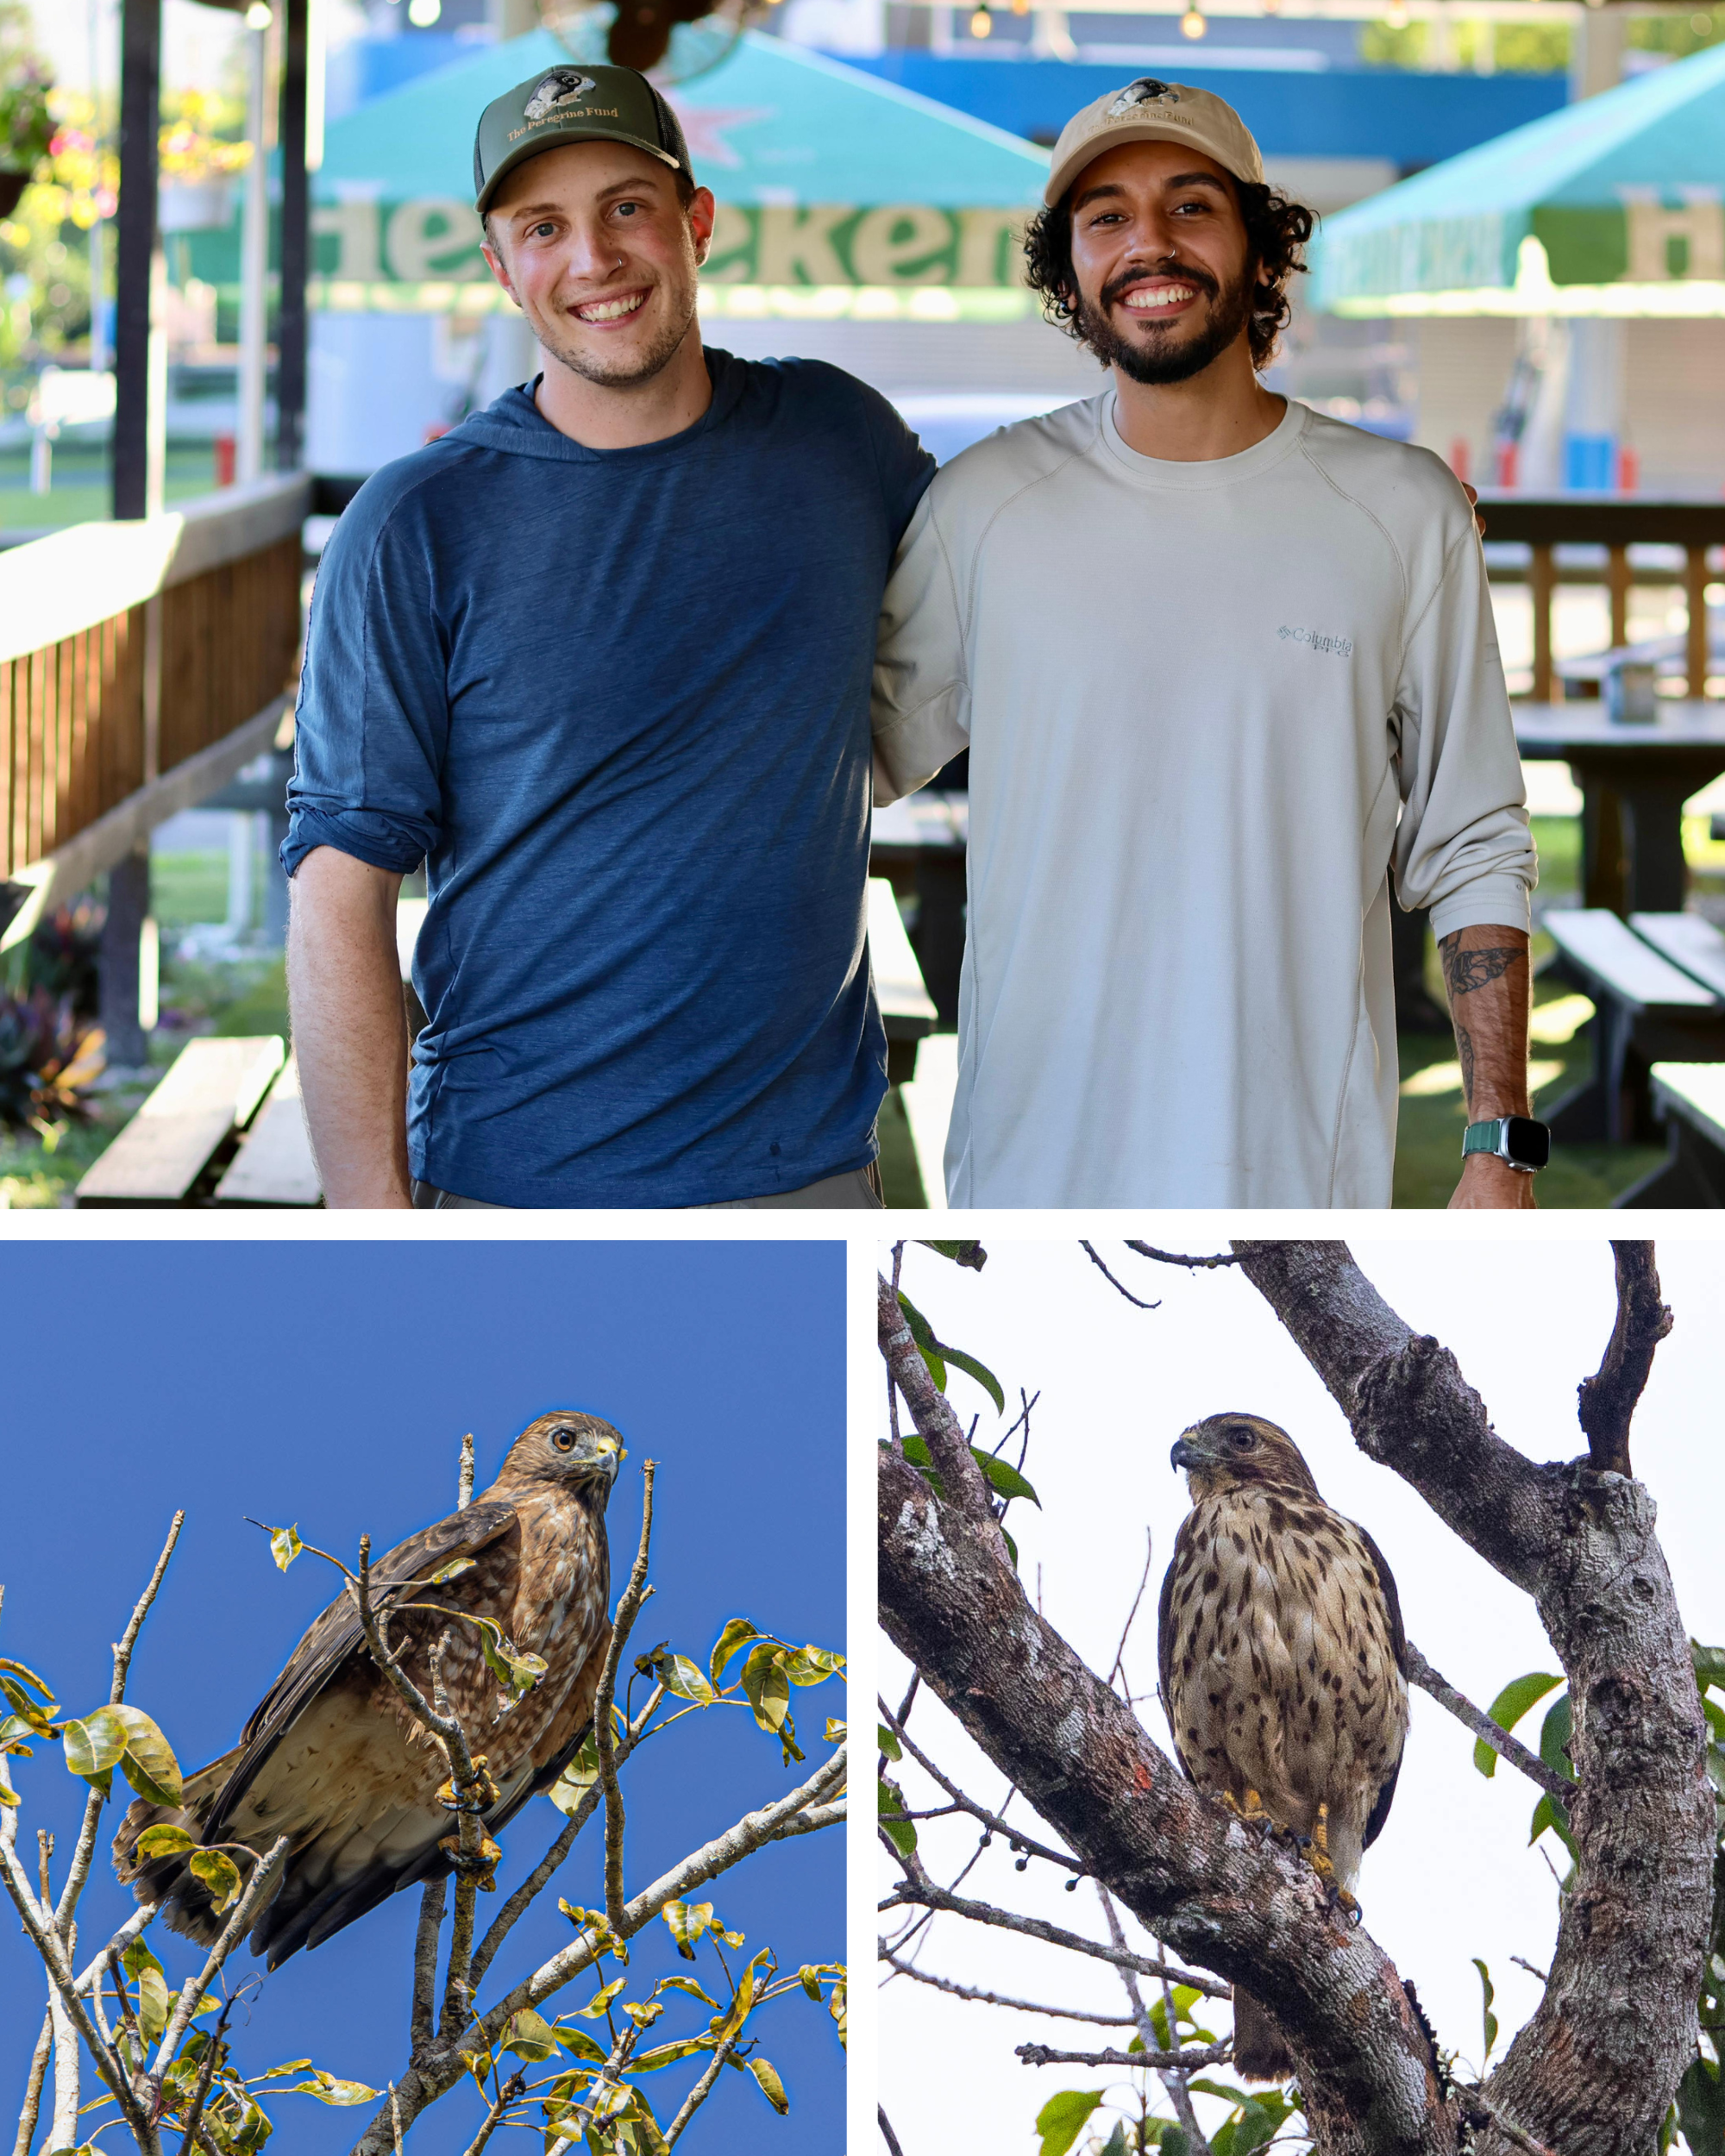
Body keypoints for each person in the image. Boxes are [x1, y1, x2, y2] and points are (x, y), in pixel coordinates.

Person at [871, 78, 1540, 1210]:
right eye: (1107, 217)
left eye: (1190, 207)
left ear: (1259, 246)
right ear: (1071, 268)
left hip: (1297, 1172)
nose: (1149, 244)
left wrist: (1499, 1141)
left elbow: (1475, 837)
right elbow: (841, 762)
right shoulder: (983, 505)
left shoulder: (1400, 509)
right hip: (1034, 1170)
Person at [284, 64, 933, 1206]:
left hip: (808, 1177)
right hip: (518, 1180)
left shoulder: (840, 443)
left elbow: (993, 605)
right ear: (498, 266)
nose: (593, 259)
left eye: (627, 207)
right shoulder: (418, 522)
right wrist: (370, 1233)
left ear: (697, 223)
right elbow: (340, 891)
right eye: (544, 227)